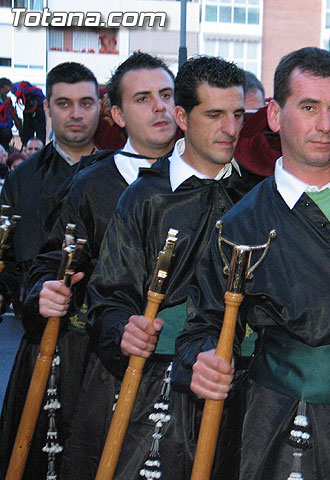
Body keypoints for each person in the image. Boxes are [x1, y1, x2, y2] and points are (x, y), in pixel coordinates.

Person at [172, 47, 330, 479]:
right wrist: (201, 361)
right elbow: (204, 327)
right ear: (275, 115)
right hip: (281, 423)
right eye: (308, 107)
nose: (325, 125)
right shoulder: (241, 224)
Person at [74, 54, 261, 480]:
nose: (230, 129)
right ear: (181, 115)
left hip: (242, 387)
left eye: (237, 114)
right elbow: (108, 297)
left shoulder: (259, 196)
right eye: (214, 115)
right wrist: (124, 327)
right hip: (155, 387)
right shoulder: (142, 197)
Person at [14, 51, 178, 480]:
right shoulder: (92, 183)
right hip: (96, 366)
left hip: (179, 367)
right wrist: (44, 291)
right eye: (143, 99)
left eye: (166, 94)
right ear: (118, 115)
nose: (160, 107)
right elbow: (54, 259)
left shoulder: (207, 178)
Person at [0, 61, 101, 480]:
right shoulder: (21, 180)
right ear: (48, 110)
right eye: (64, 103)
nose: (75, 114)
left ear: (102, 107)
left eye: (85, 103)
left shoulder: (128, 176)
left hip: (103, 348)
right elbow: (12, 268)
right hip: (40, 344)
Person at [0, 77, 46, 145]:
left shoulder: (20, 86)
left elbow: (37, 92)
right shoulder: (14, 90)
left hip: (37, 107)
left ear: (5, 87)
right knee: (27, 129)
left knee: (39, 129)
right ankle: (27, 146)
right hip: (29, 108)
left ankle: (40, 147)